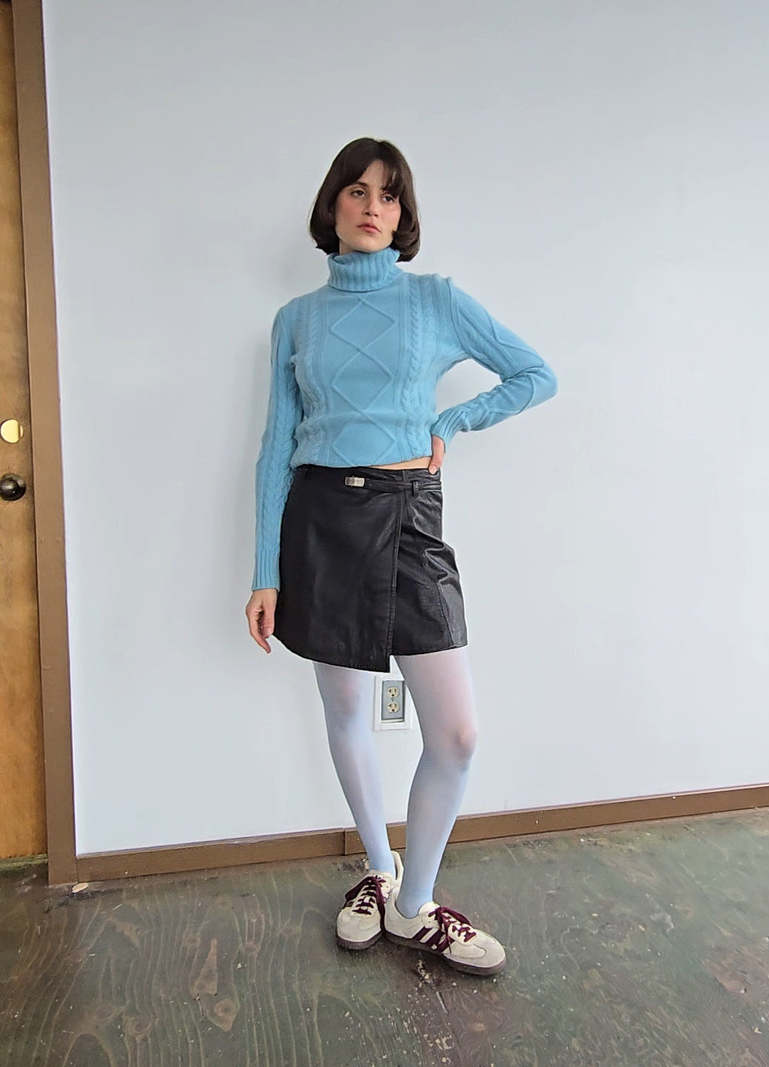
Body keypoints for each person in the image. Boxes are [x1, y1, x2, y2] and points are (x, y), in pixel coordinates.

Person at [245, 137, 558, 977]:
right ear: (333, 205)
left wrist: (450, 422)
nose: (372, 206)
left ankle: (415, 905)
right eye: (356, 190)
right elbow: (276, 445)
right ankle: (378, 871)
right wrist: (264, 570)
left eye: (388, 195)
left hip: (410, 515)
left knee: (455, 732)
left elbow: (534, 374)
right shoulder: (295, 319)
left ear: (404, 214)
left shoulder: (436, 300)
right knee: (346, 707)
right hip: (320, 517)